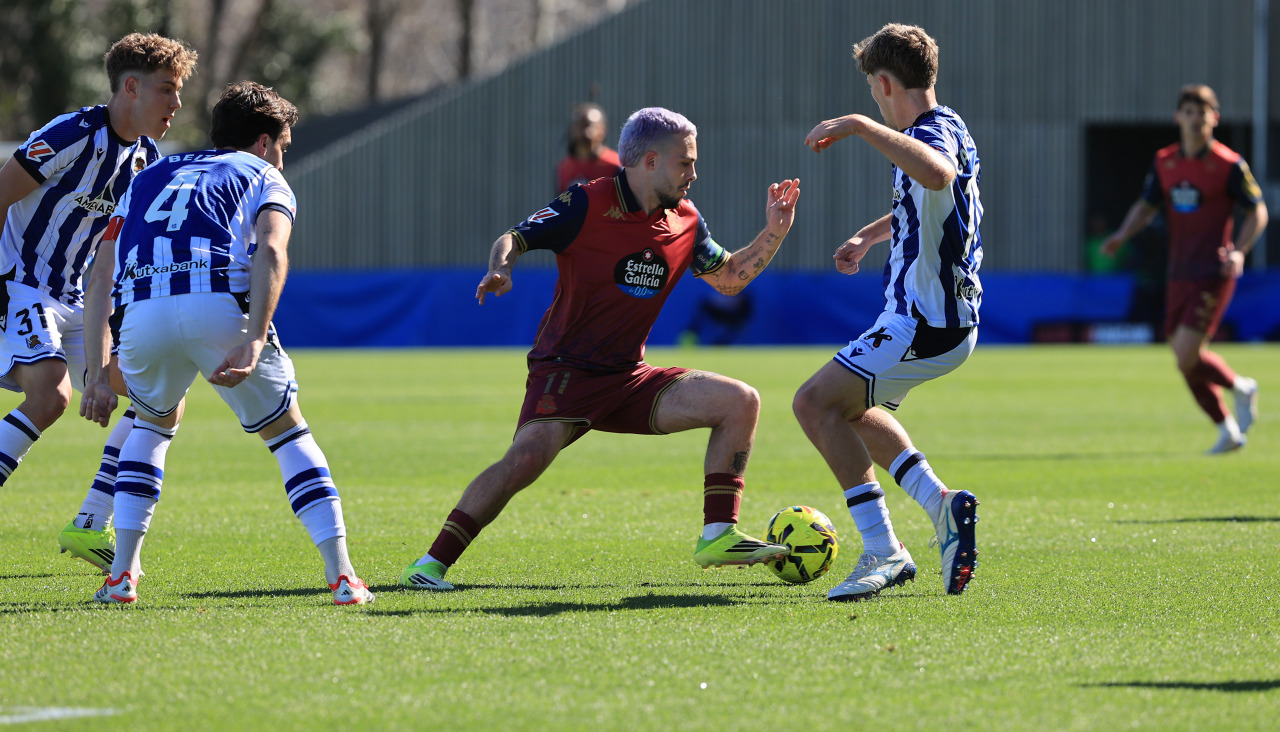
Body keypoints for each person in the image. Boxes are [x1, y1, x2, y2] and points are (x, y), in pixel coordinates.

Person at [400, 107, 800, 591]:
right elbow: (515, 236)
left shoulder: (687, 221)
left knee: (740, 400)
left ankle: (718, 533)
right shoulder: (586, 202)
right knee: (525, 460)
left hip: (628, 377)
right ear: (650, 161)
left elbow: (731, 279)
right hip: (565, 369)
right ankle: (429, 566)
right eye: (685, 162)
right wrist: (501, 268)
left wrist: (775, 230)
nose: (694, 173)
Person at [78, 81, 373, 606]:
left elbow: (100, 275)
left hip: (141, 312)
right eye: (282, 146)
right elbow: (272, 251)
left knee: (150, 425)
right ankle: (344, 577)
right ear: (264, 143)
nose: (281, 159)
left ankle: (122, 576)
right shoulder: (262, 175)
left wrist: (98, 372)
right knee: (288, 434)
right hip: (217, 298)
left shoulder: (151, 174)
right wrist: (256, 337)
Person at [792, 23, 981, 602]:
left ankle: (883, 550)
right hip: (927, 319)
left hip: (924, 322)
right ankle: (941, 506)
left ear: (883, 83)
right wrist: (869, 237)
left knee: (814, 403)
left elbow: (938, 174)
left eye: (874, 94)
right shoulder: (944, 127)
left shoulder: (933, 132)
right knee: (849, 410)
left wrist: (859, 125)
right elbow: (925, 201)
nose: (875, 101)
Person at [0, 33, 198, 574]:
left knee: (159, 397)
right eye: (167, 91)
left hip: (78, 300)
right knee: (50, 396)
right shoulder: (69, 134)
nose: (175, 105)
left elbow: (119, 255)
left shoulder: (148, 162)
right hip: (20, 284)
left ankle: (90, 521)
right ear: (130, 87)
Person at [1102, 84, 1266, 454]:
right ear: (1178, 117)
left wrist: (1239, 252)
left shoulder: (1229, 165)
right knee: (1184, 360)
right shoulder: (1165, 162)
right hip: (1178, 272)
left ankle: (1240, 387)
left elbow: (1257, 211)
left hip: (1214, 271)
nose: (1195, 118)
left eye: (1202, 112)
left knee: (1187, 353)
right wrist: (1123, 234)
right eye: (1189, 111)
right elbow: (1147, 205)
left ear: (1214, 118)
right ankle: (1228, 428)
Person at [555, 102, 622, 192]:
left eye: (588, 125)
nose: (583, 131)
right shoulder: (564, 167)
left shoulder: (615, 165)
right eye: (578, 125)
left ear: (602, 130)